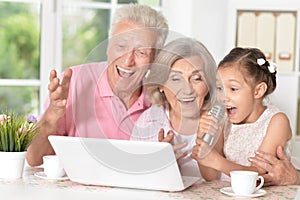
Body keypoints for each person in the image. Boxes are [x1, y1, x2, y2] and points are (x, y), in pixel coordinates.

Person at [26, 4, 169, 166]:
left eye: (142, 52)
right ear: (108, 46)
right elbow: (34, 160)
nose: (128, 60)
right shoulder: (74, 82)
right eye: (121, 46)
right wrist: (51, 116)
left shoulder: (161, 100)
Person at [192, 47, 292, 181]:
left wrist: (217, 161)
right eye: (220, 88)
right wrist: (203, 138)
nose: (223, 97)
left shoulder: (277, 121)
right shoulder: (224, 121)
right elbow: (211, 176)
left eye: (233, 89)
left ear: (258, 91)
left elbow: (258, 174)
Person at [131, 37, 222, 179]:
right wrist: (160, 163)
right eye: (175, 79)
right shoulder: (147, 121)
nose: (187, 90)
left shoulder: (225, 121)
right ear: (161, 84)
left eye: (197, 78)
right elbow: (133, 176)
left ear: (209, 84)